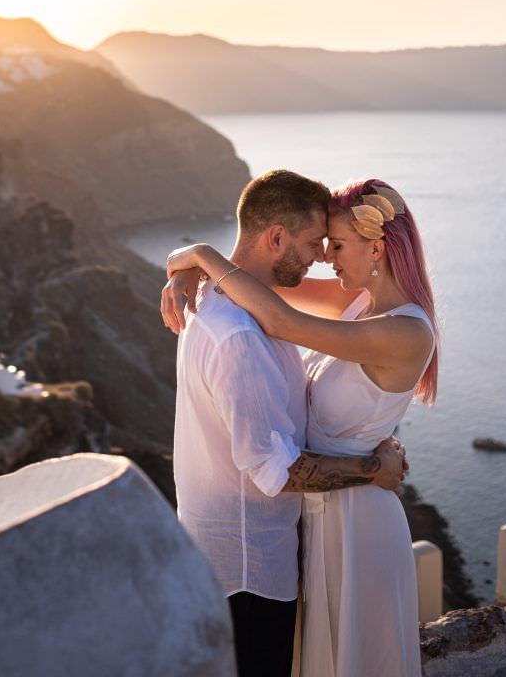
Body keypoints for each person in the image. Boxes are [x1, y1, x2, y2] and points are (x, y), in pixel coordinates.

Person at [164, 177, 438, 677]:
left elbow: (278, 318)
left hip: (357, 522)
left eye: (336, 245)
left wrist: (201, 256)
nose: (326, 258)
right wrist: (191, 262)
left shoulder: (404, 330)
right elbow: (260, 291)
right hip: (311, 518)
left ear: (376, 248)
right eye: (322, 243)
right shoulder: (355, 302)